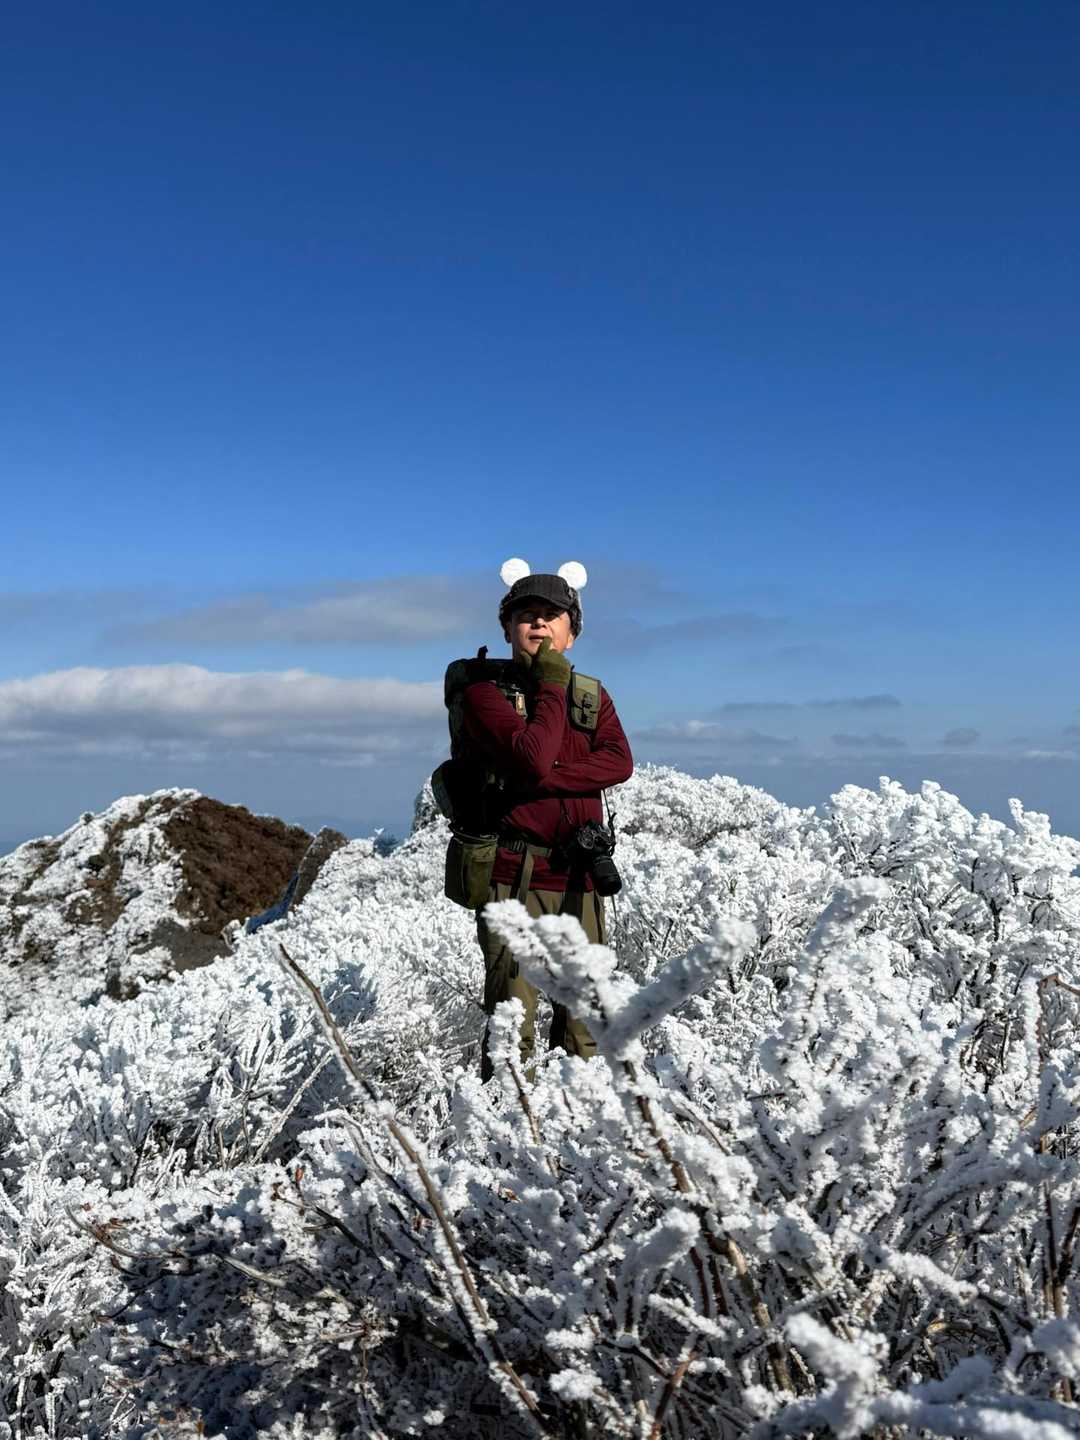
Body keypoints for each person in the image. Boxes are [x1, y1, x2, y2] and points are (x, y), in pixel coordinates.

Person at [457, 560, 634, 1079]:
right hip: (515, 876)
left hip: (581, 876)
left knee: (586, 1026)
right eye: (525, 614)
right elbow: (533, 755)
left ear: (571, 633)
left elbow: (618, 763)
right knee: (513, 1029)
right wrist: (552, 685)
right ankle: (509, 1125)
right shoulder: (484, 695)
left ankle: (579, 1124)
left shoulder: (591, 695)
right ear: (507, 629)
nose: (538, 622)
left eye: (552, 615)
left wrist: (543, 776)